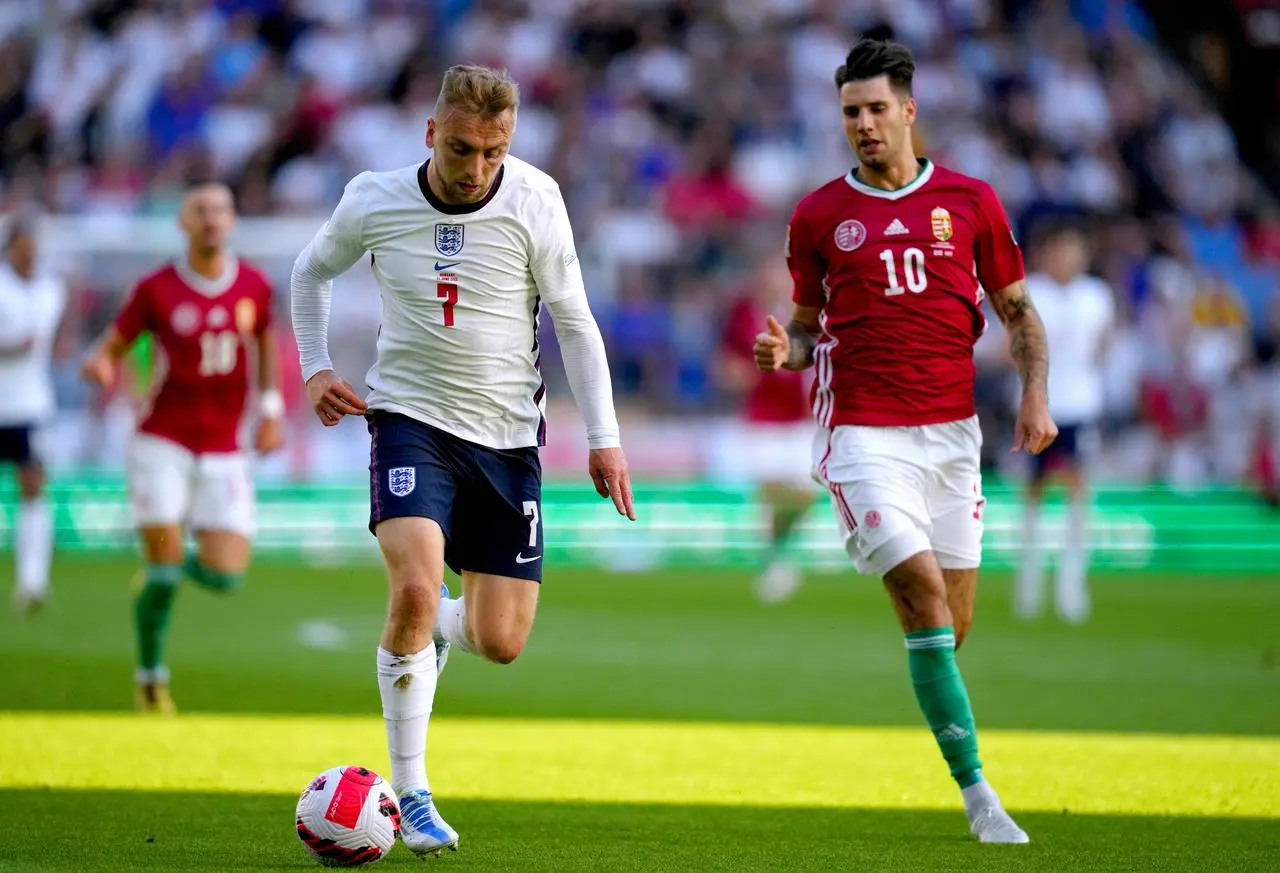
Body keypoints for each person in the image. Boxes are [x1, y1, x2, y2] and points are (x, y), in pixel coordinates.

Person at [289, 64, 634, 857]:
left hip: (509, 440)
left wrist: (603, 435)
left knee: (502, 640)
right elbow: (311, 271)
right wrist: (314, 366)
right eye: (462, 148)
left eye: (493, 152)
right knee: (413, 586)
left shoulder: (535, 199)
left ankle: (435, 630)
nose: (477, 167)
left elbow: (576, 323)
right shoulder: (374, 198)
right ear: (429, 135)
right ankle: (411, 793)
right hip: (408, 420)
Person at [753, 38, 1056, 844]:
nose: (864, 124)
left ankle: (936, 698)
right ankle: (981, 797)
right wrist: (786, 348)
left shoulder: (971, 200)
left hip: (954, 436)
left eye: (877, 109)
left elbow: (1019, 311)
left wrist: (1035, 395)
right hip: (862, 434)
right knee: (923, 597)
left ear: (909, 110)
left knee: (947, 632)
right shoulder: (819, 215)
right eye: (851, 111)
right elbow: (811, 321)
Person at [81, 180, 285, 714]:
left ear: (234, 220)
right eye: (201, 209)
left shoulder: (255, 287)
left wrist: (270, 412)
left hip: (224, 445)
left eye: (221, 208)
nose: (213, 218)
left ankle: (159, 564)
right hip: (161, 442)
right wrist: (102, 362)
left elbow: (265, 341)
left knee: (227, 575)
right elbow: (116, 341)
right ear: (183, 222)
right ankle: (151, 675)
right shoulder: (156, 289)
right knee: (168, 572)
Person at [1016, 221, 1114, 624]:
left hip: (1080, 407)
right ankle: (1031, 582)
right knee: (1036, 491)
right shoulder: (1031, 292)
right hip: (1038, 406)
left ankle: (1072, 584)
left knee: (1077, 490)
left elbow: (1104, 344)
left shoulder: (1096, 295)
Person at [713, 256, 817, 603]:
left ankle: (777, 552)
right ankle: (775, 563)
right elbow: (727, 361)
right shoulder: (745, 313)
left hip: (800, 419)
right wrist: (743, 373)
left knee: (804, 495)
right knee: (772, 492)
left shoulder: (807, 315)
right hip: (762, 418)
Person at [0, 219, 66, 615]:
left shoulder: (50, 289)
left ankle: (32, 581)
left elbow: (51, 340)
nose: (30, 252)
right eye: (23, 245)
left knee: (33, 484)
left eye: (34, 245)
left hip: (30, 404)